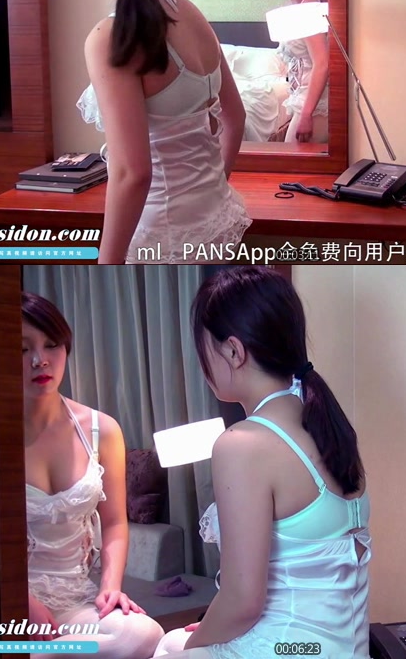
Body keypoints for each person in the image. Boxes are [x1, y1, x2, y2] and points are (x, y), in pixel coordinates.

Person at [153, 267, 371, 658]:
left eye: (202, 348)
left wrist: (194, 645)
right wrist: (211, 630)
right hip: (343, 647)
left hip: (285, 647)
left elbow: (242, 602)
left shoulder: (242, 445)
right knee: (171, 641)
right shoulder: (329, 426)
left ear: (233, 351)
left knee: (172, 647)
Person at [77, 0, 251, 264]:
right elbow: (235, 117)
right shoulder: (190, 13)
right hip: (215, 221)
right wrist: (210, 189)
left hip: (160, 233)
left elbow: (132, 173)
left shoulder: (110, 38)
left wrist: (108, 263)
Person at [22, 291, 164, 658]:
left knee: (143, 634)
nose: (40, 360)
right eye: (22, 349)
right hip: (9, 602)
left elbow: (114, 522)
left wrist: (110, 587)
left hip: (76, 602)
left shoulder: (102, 429)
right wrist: (20, 601)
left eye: (52, 345)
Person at [274, 0, 329, 144]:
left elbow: (322, 64)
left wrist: (306, 114)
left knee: (292, 158)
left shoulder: (309, 10)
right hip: (305, 99)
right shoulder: (299, 9)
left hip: (315, 104)